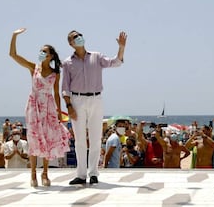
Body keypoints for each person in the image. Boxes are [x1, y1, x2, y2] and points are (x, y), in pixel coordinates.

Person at [62, 30, 127, 184]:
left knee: (96, 137)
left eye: (79, 35)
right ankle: (81, 174)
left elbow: (115, 63)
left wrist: (121, 48)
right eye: (74, 38)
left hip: (96, 99)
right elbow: (65, 87)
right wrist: (69, 106)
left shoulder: (96, 57)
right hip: (77, 100)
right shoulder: (67, 62)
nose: (78, 38)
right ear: (70, 43)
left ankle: (93, 173)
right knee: (79, 140)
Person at [9, 28, 70, 187]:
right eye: (40, 51)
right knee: (34, 139)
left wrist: (58, 112)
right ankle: (33, 174)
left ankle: (45, 173)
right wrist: (14, 36)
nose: (41, 53)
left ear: (50, 56)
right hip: (33, 105)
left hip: (48, 107)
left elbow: (56, 94)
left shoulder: (55, 73)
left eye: (44, 52)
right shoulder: (33, 67)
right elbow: (13, 55)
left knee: (48, 139)